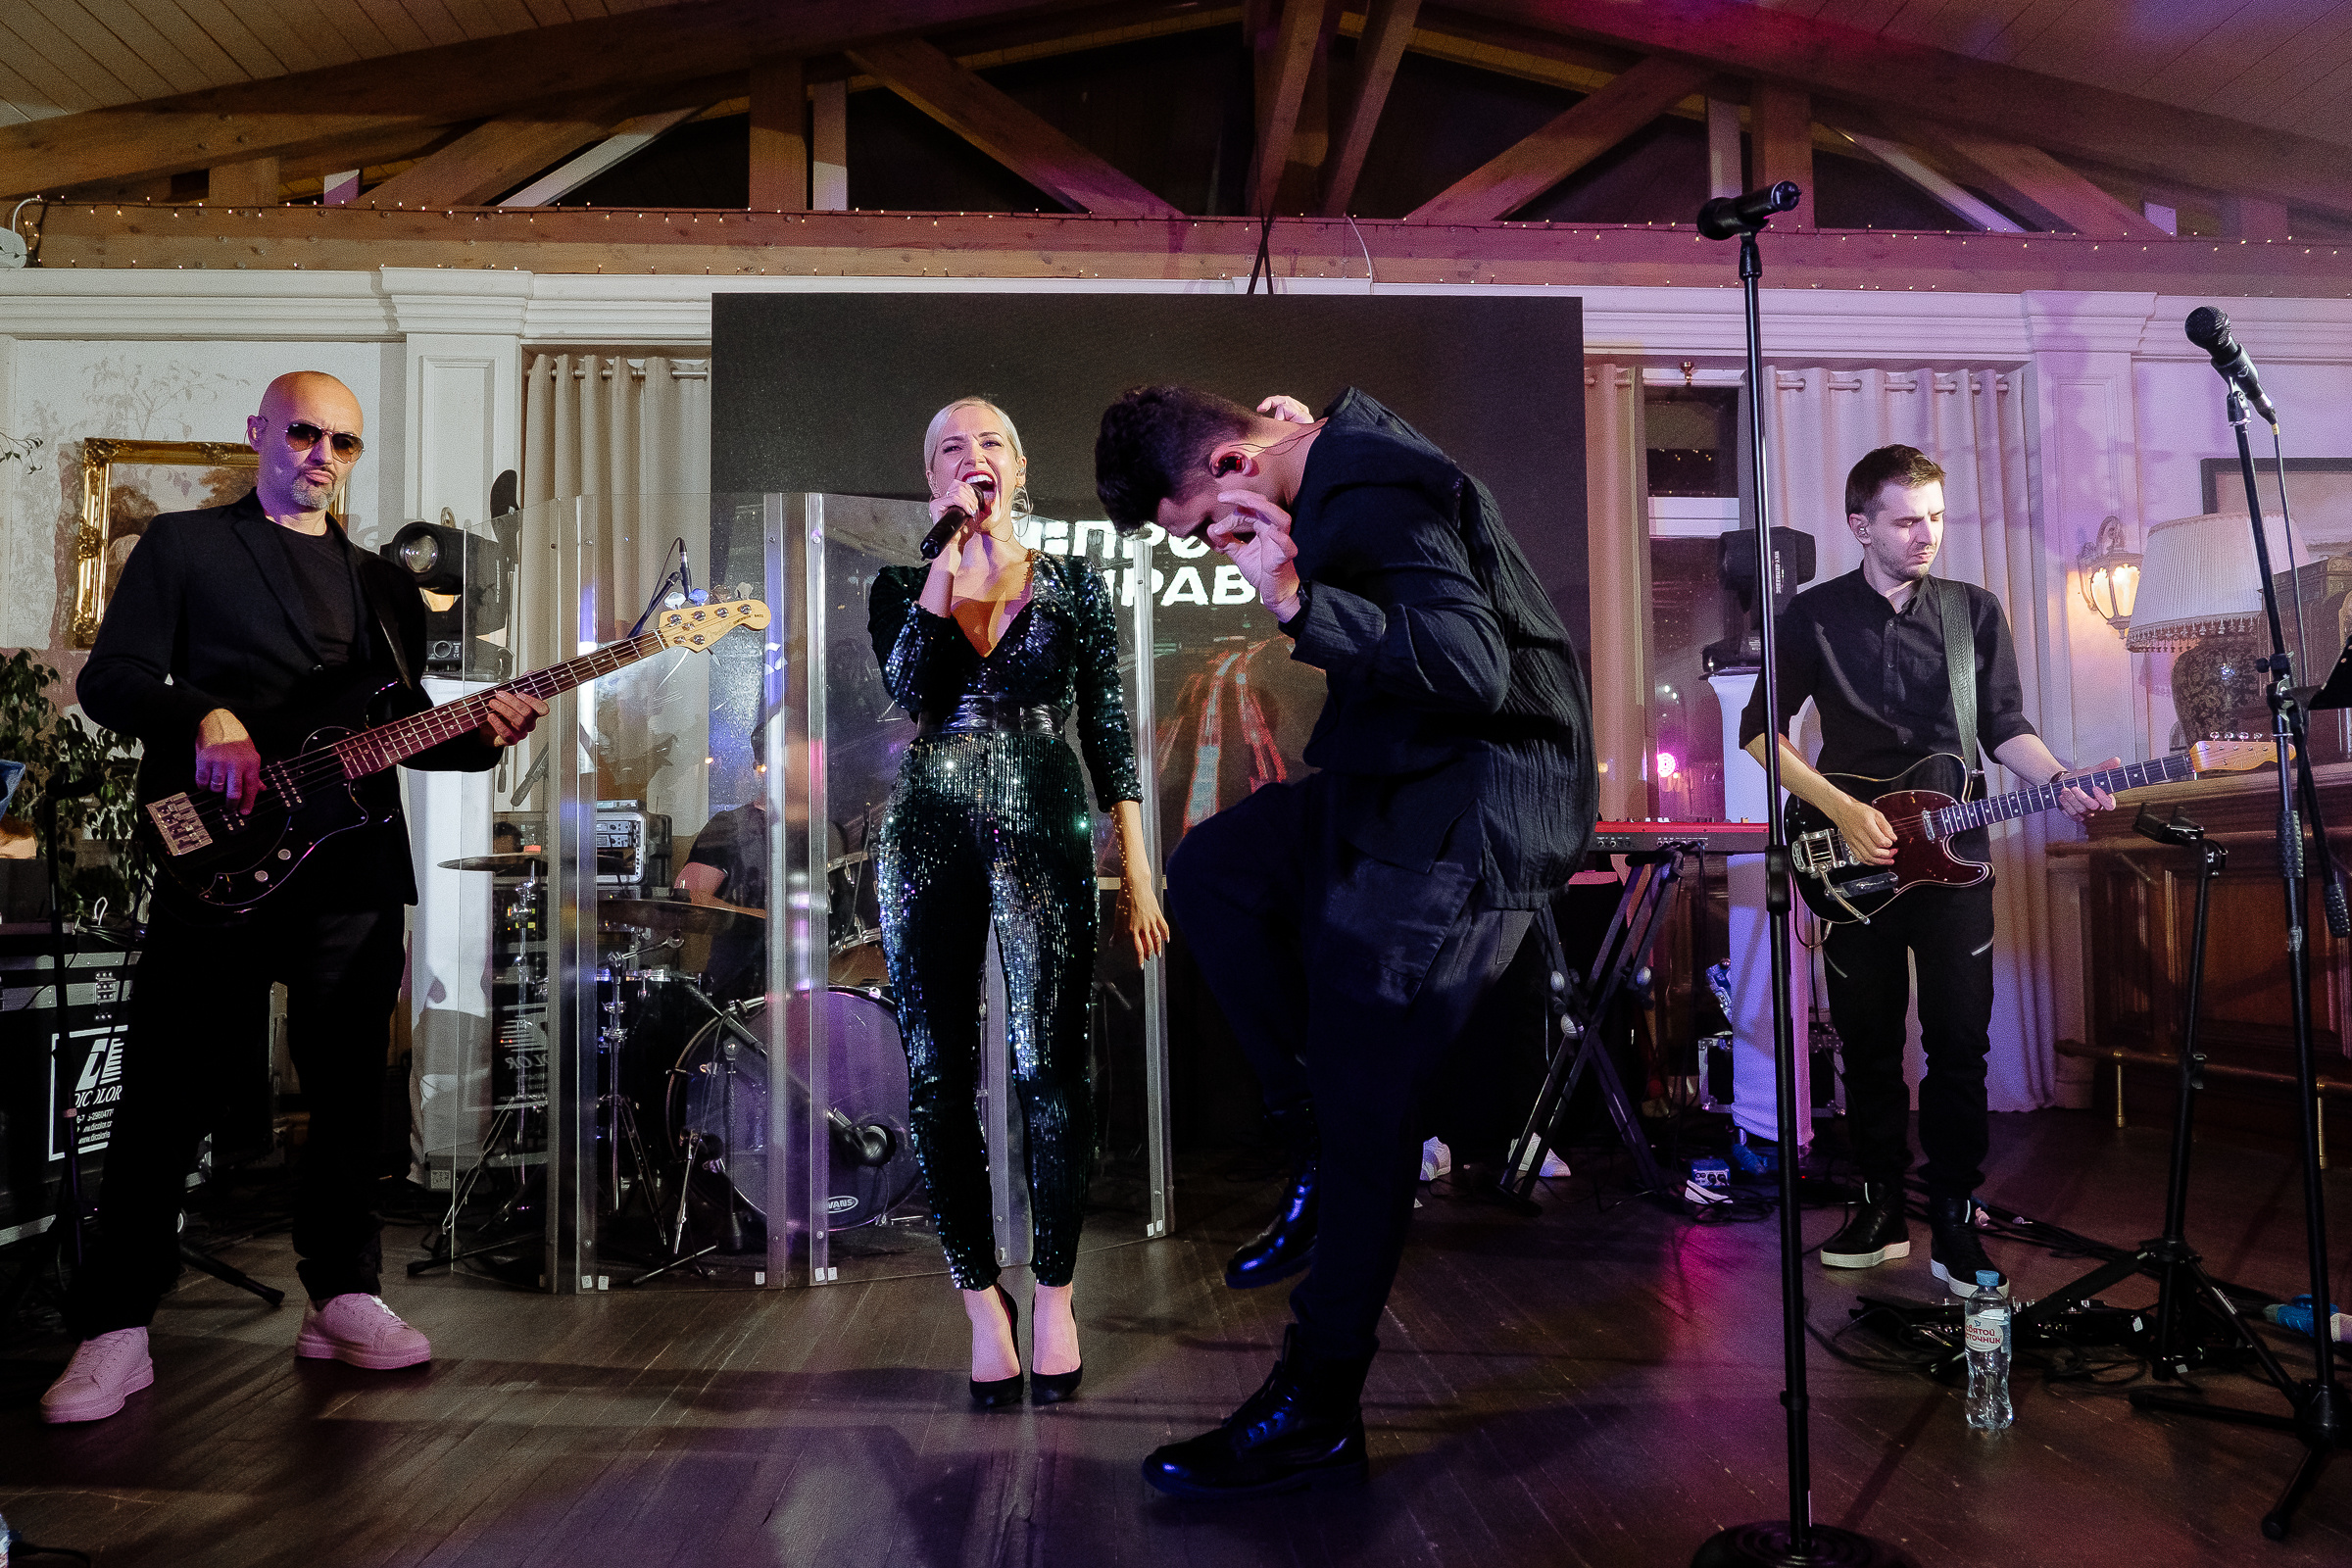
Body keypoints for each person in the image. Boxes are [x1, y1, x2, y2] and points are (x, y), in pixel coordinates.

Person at [1094, 385, 1594, 1497]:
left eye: (1207, 527)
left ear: (1233, 462)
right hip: (1393, 780)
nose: (1216, 550)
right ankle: (1309, 1129)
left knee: (1370, 1087)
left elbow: (1473, 669)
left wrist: (1295, 599)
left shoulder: (1366, 488)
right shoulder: (1336, 448)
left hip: (1473, 807)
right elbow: (1374, 447)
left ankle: (1317, 1404)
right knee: (1215, 870)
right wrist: (1311, 422)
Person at [43, 371, 546, 1425]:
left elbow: (395, 732)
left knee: (351, 1095)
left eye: (344, 443)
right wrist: (204, 714)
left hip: (350, 873)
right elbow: (109, 680)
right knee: (168, 1091)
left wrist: (483, 731)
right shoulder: (185, 547)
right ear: (260, 434)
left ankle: (344, 1293)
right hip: (216, 858)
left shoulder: (383, 585)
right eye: (306, 433)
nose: (324, 455)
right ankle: (116, 1326)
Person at [1739, 444, 2116, 1297]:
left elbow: (2003, 723)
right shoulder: (1811, 616)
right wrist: (1841, 809)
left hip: (1955, 861)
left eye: (1937, 517)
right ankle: (1878, 1208)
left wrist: (2059, 779)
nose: (1927, 534)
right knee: (1869, 1048)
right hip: (1852, 860)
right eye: (1908, 520)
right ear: (1860, 525)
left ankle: (1952, 1217)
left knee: (1958, 1047)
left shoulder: (1972, 612)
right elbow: (1761, 732)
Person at [868, 396, 1167, 1409]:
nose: (972, 456)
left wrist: (1138, 869)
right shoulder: (901, 585)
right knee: (937, 1074)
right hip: (928, 831)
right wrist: (946, 564)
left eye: (990, 441)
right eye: (950, 448)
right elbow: (913, 687)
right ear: (932, 479)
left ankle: (1054, 1297)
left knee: (1051, 1065)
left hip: (1044, 822)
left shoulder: (1074, 580)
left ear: (1021, 465)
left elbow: (1110, 731)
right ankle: (978, 1304)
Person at [673, 799, 767, 1002]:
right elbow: (689, 896)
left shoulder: (821, 828)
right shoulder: (730, 825)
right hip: (741, 976)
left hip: (811, 973)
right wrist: (764, 918)